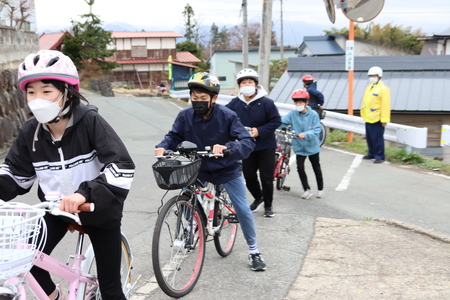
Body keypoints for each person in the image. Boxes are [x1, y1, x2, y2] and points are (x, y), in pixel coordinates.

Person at [0, 50, 135, 300]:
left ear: (67, 92)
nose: (37, 98)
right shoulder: (31, 132)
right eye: (31, 92)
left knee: (111, 291)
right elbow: (15, 176)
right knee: (28, 260)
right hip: (55, 210)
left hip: (97, 210)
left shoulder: (91, 122)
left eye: (46, 91)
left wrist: (84, 193)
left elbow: (122, 167)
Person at [154, 72, 267, 271]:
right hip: (198, 167)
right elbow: (173, 135)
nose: (197, 102)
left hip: (226, 168)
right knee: (185, 196)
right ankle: (189, 229)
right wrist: (163, 146)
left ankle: (254, 250)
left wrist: (228, 148)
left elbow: (247, 141)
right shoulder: (185, 115)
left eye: (203, 99)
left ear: (214, 99)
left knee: (241, 208)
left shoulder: (227, 116)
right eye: (194, 98)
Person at [226, 68, 281, 217]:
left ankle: (268, 206)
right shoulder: (234, 103)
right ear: (239, 86)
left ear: (256, 85)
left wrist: (260, 130)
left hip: (266, 146)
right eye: (243, 82)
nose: (247, 85)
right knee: (249, 176)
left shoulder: (267, 102)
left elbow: (276, 121)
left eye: (250, 82)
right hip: (246, 147)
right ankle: (259, 198)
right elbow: (224, 118)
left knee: (266, 178)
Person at [280, 90, 324, 199]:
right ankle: (306, 189)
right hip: (299, 146)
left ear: (306, 102)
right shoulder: (293, 114)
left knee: (316, 168)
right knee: (300, 168)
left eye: (300, 102)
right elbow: (281, 122)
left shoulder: (313, 114)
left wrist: (305, 134)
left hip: (312, 146)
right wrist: (272, 126)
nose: (298, 105)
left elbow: (317, 129)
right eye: (296, 103)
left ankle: (320, 189)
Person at [360, 66, 391, 164]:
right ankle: (371, 153)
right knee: (369, 137)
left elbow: (385, 104)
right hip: (368, 116)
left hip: (377, 117)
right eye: (370, 76)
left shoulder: (383, 88)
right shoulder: (369, 86)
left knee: (377, 138)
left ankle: (380, 156)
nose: (372, 77)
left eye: (374, 76)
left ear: (379, 76)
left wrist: (384, 119)